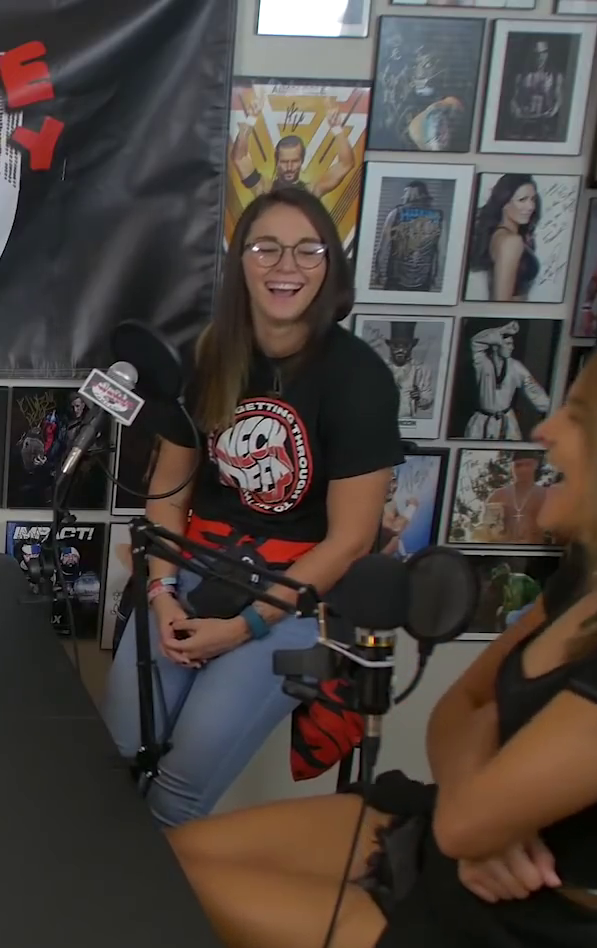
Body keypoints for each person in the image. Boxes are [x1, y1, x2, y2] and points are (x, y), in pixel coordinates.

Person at [167, 315, 597, 948]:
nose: (547, 430)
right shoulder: (594, 579)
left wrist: (478, 815)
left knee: (181, 915)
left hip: (511, 935)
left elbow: (470, 790)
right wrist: (486, 814)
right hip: (448, 846)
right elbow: (456, 709)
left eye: (579, 416)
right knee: (167, 866)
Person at [103, 186, 401, 827]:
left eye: (307, 250)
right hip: (191, 574)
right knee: (118, 761)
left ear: (330, 266)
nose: (285, 266)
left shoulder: (360, 379)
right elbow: (169, 493)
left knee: (176, 793)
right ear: (240, 262)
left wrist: (242, 629)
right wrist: (163, 596)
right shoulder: (208, 355)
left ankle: (152, 894)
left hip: (292, 598)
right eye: (267, 248)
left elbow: (350, 540)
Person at [468, 174, 542, 303]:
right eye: (522, 200)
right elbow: (500, 302)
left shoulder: (500, 235)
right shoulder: (511, 241)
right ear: (504, 203)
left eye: (533, 199)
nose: (531, 206)